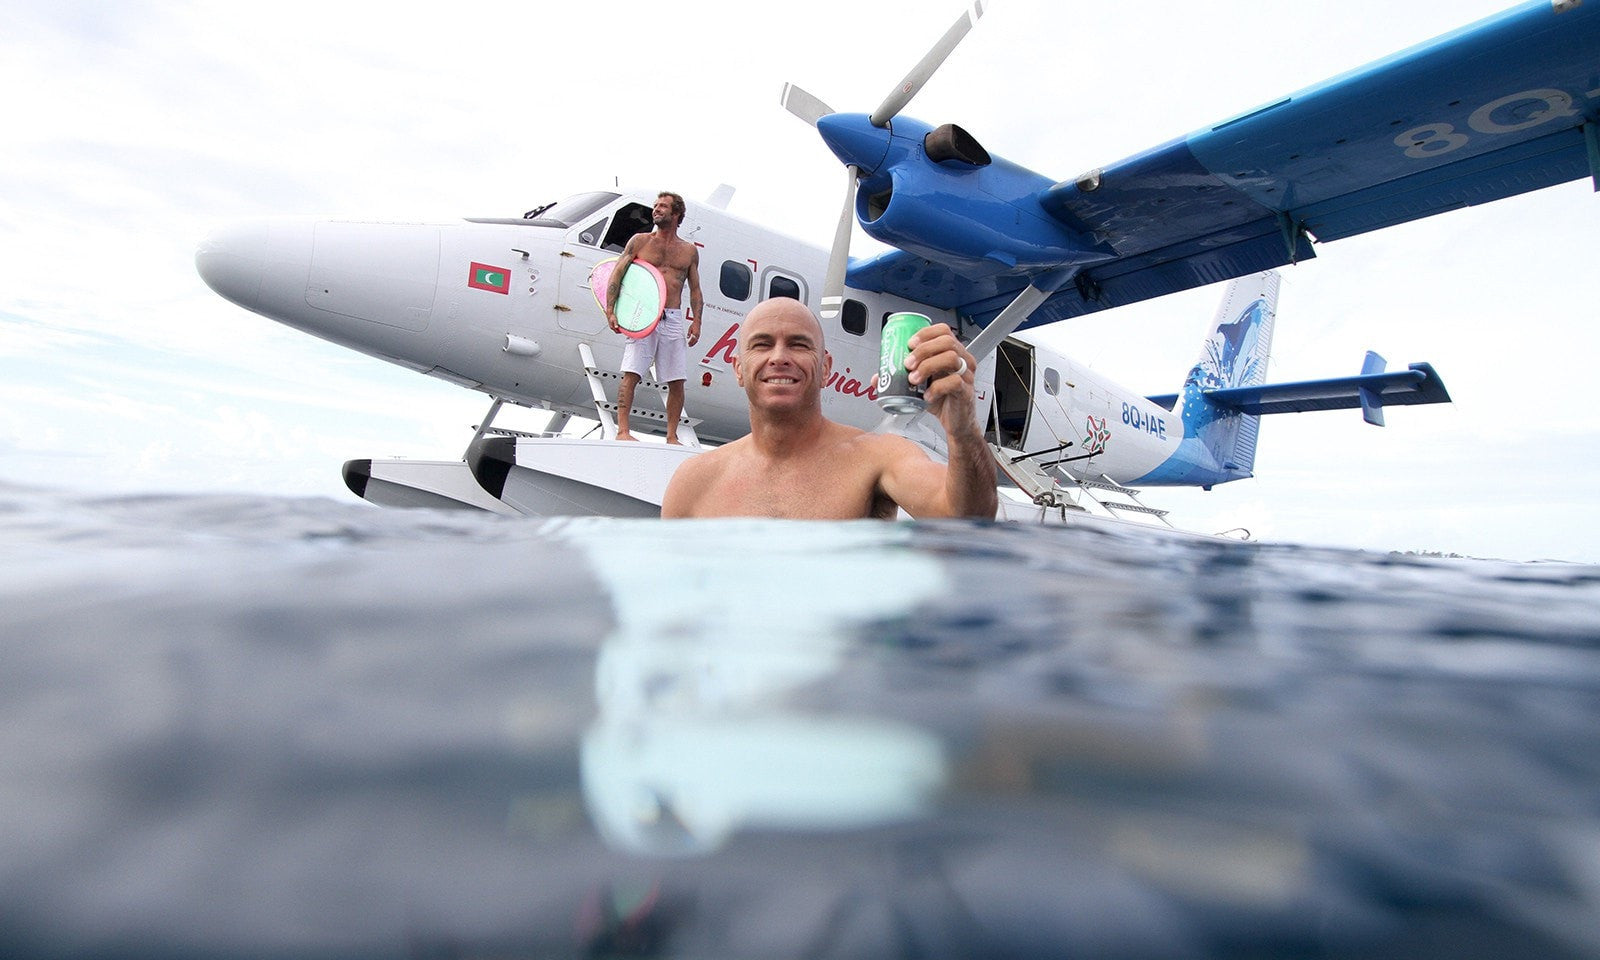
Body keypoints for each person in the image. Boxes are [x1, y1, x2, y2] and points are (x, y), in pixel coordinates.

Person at [661, 298, 998, 520]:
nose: (779, 357)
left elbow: (965, 520)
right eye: (762, 344)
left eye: (798, 344)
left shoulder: (878, 458)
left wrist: (962, 429)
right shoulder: (692, 481)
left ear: (825, 368)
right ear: (738, 369)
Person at [605, 191, 703, 444]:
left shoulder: (689, 251)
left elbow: (694, 288)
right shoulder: (640, 241)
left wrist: (697, 321)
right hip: (644, 314)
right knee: (632, 371)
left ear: (676, 214)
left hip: (672, 316)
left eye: (663, 206)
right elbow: (617, 274)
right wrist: (611, 309)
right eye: (656, 206)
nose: (656, 210)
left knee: (676, 379)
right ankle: (623, 431)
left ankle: (672, 436)